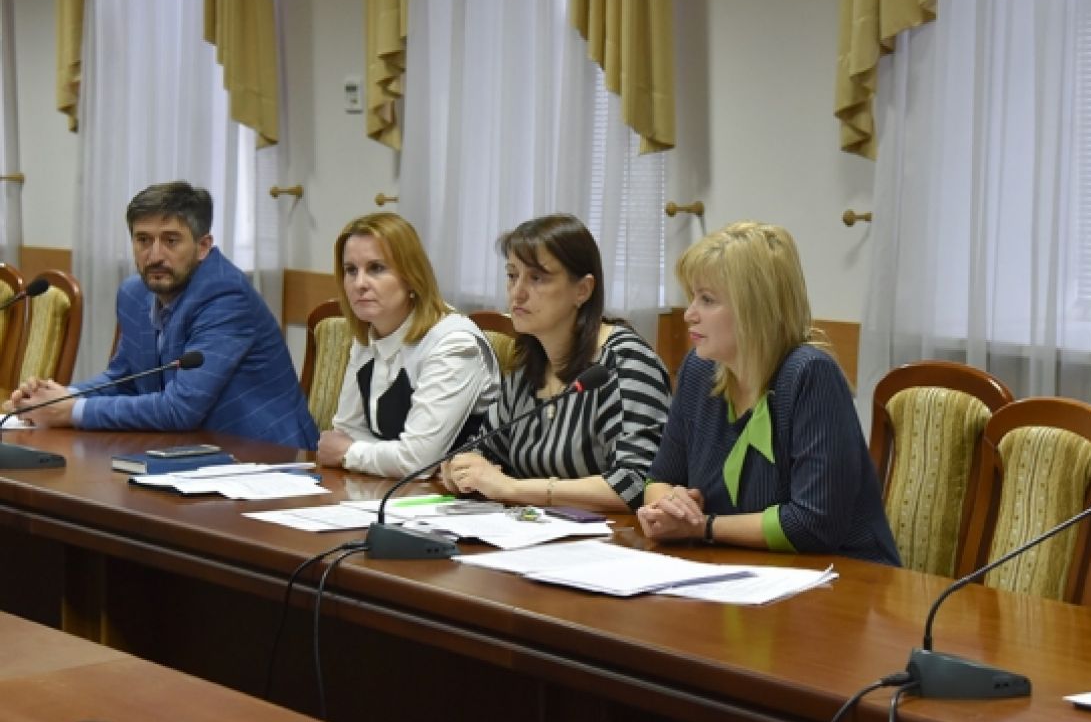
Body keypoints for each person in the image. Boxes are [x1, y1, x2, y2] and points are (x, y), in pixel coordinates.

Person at [638, 221, 900, 566]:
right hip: (737, 572)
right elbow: (660, 478)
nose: (689, 314)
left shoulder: (809, 375)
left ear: (754, 308)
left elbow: (812, 523)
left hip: (845, 578)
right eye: (692, 298)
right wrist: (668, 507)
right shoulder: (699, 370)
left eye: (707, 299)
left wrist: (703, 527)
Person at [7, 181, 318, 450]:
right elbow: (124, 379)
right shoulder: (134, 294)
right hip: (191, 453)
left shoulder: (225, 296)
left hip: (268, 459)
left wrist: (72, 410)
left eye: (171, 241)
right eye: (143, 240)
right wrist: (54, 398)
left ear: (203, 246)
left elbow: (180, 408)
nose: (155, 256)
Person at [439, 215, 670, 511]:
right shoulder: (528, 367)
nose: (517, 292)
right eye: (512, 275)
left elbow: (635, 483)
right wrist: (463, 468)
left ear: (582, 290)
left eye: (537, 278)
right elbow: (485, 451)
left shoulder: (625, 363)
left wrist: (512, 488)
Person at [316, 213, 500, 477]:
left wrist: (351, 453)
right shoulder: (369, 332)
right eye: (351, 270)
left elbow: (417, 461)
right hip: (389, 487)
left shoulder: (454, 344)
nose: (359, 284)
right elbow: (346, 431)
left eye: (376, 268)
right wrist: (379, 454)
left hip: (455, 494)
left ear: (411, 276)